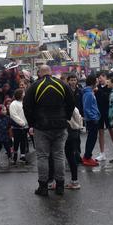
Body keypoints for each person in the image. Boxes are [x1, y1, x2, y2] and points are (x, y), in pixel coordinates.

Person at [23, 65, 75, 196]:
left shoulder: (34, 86)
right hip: (60, 125)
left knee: (42, 156)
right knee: (59, 155)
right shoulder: (62, 84)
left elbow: (26, 106)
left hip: (41, 126)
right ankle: (60, 186)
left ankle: (43, 187)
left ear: (39, 73)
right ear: (50, 72)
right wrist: (66, 117)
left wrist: (31, 123)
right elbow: (71, 102)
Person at [81, 74, 101, 167]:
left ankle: (88, 156)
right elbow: (87, 108)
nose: (97, 82)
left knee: (92, 139)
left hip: (92, 119)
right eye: (96, 81)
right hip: (92, 120)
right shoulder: (88, 93)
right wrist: (94, 117)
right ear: (93, 82)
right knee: (91, 139)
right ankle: (87, 157)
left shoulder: (89, 92)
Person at [94, 72, 112, 161]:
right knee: (100, 132)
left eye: (101, 78)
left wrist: (99, 90)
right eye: (98, 78)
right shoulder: (96, 88)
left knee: (112, 132)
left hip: (108, 112)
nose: (99, 80)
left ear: (105, 77)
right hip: (99, 112)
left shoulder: (109, 87)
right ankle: (102, 153)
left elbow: (107, 97)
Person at [66, 73, 83, 165]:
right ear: (68, 81)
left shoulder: (80, 91)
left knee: (77, 137)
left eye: (74, 80)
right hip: (69, 117)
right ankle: (71, 155)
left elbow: (82, 103)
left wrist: (83, 115)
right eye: (71, 80)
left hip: (78, 116)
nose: (73, 82)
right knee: (70, 137)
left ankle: (77, 154)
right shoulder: (66, 91)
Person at [9, 88, 28, 165]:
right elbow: (13, 115)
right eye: (23, 93)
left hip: (25, 127)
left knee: (24, 141)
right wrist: (21, 123)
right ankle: (15, 155)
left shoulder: (25, 103)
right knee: (16, 141)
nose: (24, 94)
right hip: (17, 127)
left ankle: (22, 156)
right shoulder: (13, 104)